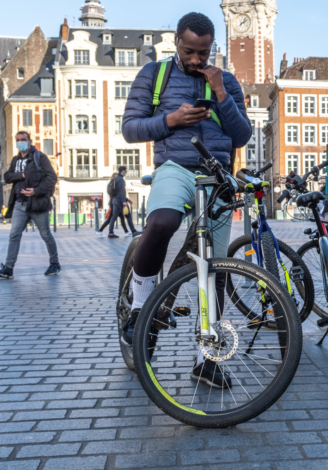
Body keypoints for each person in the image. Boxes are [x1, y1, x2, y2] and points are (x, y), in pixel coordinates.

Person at [120, 12, 251, 388]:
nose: (196, 60)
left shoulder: (226, 80)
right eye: (190, 51)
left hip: (217, 176)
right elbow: (130, 128)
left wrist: (221, 95)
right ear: (176, 41)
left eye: (204, 52)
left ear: (212, 48)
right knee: (162, 222)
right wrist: (171, 121)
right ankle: (141, 308)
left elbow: (241, 135)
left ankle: (205, 358)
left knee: (216, 269)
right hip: (175, 166)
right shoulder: (154, 75)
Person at [0, 132, 60, 279]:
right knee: (14, 235)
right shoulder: (16, 160)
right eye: (18, 140)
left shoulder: (39, 157)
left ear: (30, 141)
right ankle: (8, 268)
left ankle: (54, 263)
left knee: (45, 234)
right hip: (19, 204)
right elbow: (7, 176)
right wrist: (22, 176)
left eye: (23, 140)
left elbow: (52, 177)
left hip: (37, 204)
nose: (20, 142)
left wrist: (36, 191)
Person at [107, 167, 140, 239]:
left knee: (114, 217)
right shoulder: (121, 179)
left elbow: (118, 191)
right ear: (122, 171)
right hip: (121, 202)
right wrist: (124, 201)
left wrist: (127, 199)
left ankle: (110, 232)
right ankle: (134, 231)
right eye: (125, 171)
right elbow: (122, 191)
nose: (126, 172)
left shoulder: (116, 178)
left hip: (115, 200)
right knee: (128, 216)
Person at [96, 172, 129, 237]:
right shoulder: (115, 183)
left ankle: (126, 231)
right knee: (111, 218)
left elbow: (109, 193)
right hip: (116, 203)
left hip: (112, 202)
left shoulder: (110, 184)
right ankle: (105, 231)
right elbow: (119, 194)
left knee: (121, 217)